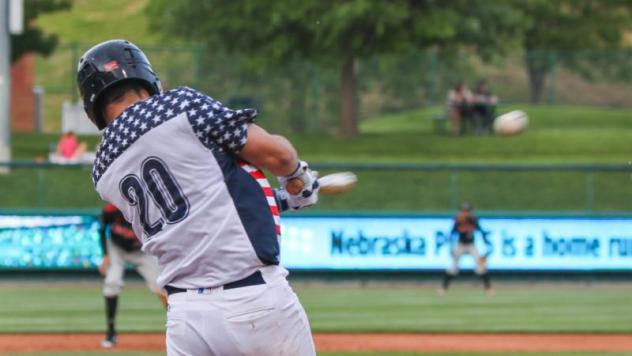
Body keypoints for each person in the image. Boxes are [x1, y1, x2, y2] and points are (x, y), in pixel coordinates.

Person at [77, 39, 319, 355]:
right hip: (251, 299)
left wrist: (281, 199)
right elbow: (278, 154)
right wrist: (297, 178)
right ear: (145, 76)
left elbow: (195, 209)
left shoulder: (102, 168)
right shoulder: (179, 106)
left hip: (184, 317)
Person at [98, 202, 167, 348]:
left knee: (161, 287)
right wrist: (105, 255)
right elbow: (102, 229)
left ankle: (176, 328)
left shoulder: (149, 209)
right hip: (117, 249)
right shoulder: (113, 208)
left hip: (142, 251)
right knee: (112, 283)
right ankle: (111, 334)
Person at [439, 202, 493, 295]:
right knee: (453, 267)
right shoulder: (458, 220)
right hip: (461, 245)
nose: (465, 212)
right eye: (464, 210)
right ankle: (444, 288)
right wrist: (451, 247)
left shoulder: (473, 219)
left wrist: (486, 243)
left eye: (467, 210)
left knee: (480, 266)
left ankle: (488, 288)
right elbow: (452, 233)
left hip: (471, 245)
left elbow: (481, 231)